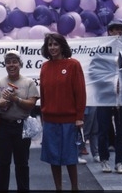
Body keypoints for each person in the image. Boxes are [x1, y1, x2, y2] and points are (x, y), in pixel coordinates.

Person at [0, 50, 39, 191]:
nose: (11, 65)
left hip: (21, 127)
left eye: (14, 61)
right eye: (8, 62)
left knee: (22, 164)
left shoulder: (29, 83)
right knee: (2, 163)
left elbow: (32, 104)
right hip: (2, 127)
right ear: (5, 65)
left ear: (20, 64)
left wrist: (15, 99)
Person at [39, 33, 86, 191]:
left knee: (70, 158)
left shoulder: (73, 65)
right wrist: (43, 117)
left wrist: (79, 118)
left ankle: (75, 188)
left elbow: (80, 93)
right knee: (53, 158)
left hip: (69, 120)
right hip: (50, 120)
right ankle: (58, 188)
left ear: (62, 46)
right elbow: (43, 93)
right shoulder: (45, 67)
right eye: (50, 45)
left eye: (55, 44)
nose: (52, 47)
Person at [95, 18, 122, 174]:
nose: (118, 32)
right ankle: (104, 160)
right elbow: (94, 72)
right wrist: (109, 83)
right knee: (103, 129)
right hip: (105, 96)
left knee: (121, 131)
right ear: (109, 32)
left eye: (121, 29)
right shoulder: (101, 49)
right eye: (115, 29)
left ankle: (120, 161)